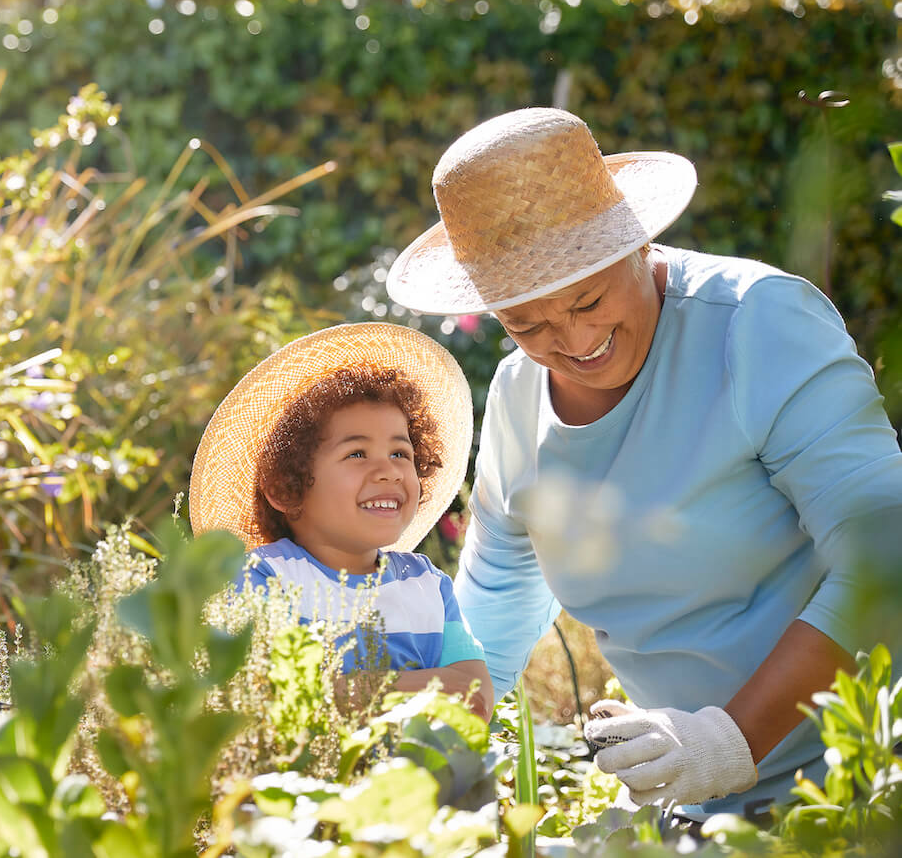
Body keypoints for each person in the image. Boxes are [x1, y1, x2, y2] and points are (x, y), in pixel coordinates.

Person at [384, 107, 902, 820]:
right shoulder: (516, 398)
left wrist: (725, 740)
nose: (574, 339)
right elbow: (498, 598)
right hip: (700, 804)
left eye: (588, 299)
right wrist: (432, 754)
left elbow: (885, 555)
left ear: (636, 239)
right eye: (526, 324)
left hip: (868, 777)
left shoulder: (756, 326)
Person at [188, 323, 493, 720]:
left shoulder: (428, 584)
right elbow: (272, 696)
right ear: (286, 488)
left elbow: (475, 697)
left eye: (402, 454)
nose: (389, 472)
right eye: (357, 455)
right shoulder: (264, 578)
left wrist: (353, 689)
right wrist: (427, 686)